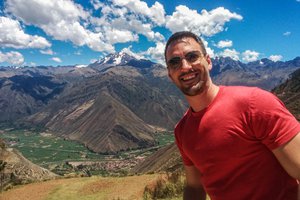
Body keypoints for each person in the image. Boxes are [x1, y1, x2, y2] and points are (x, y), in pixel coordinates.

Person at [164, 31, 300, 200]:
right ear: (170, 74)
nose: (184, 67)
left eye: (192, 57)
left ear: (208, 61)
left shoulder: (255, 103)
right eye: (175, 63)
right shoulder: (182, 131)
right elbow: (194, 186)